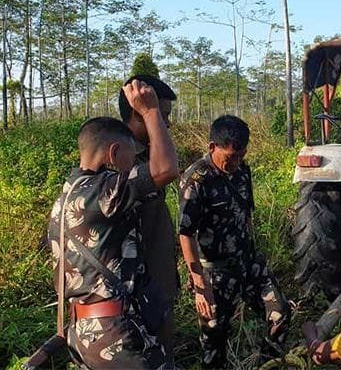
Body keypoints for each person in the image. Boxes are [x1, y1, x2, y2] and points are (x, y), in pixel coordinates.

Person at [47, 80, 179, 369]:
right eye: (130, 158)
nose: (132, 166)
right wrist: (151, 111)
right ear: (113, 153)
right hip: (114, 335)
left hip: (87, 332)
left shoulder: (67, 196)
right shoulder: (100, 192)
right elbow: (166, 168)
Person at [178, 115, 291, 369]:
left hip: (248, 263)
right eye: (229, 158)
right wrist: (199, 286)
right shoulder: (197, 180)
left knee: (280, 314)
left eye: (240, 157)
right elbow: (185, 233)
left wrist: (255, 256)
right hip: (215, 274)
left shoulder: (243, 172)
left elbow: (246, 213)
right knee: (214, 344)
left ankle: (266, 364)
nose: (234, 163)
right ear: (211, 147)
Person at [118, 74, 179, 353]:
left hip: (156, 284)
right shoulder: (121, 160)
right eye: (162, 114)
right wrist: (150, 109)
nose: (166, 122)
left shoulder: (149, 153)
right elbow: (166, 170)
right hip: (134, 294)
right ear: (138, 112)